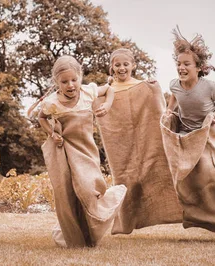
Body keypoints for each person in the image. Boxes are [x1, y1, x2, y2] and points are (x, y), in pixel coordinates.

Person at [160, 27, 215, 234]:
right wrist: (168, 110)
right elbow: (174, 98)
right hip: (185, 134)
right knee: (185, 175)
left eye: (186, 64)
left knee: (209, 172)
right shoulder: (175, 85)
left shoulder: (209, 87)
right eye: (179, 64)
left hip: (207, 133)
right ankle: (193, 213)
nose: (181, 68)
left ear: (198, 67)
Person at [38, 55, 126, 248]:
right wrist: (52, 133)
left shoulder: (88, 92)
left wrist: (107, 104)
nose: (70, 85)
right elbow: (41, 117)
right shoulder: (52, 103)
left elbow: (109, 89)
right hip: (65, 152)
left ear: (80, 76)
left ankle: (96, 223)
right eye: (64, 82)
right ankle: (76, 236)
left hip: (86, 151)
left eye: (74, 80)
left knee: (89, 189)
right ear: (57, 83)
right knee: (69, 193)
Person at [95, 48, 182, 235]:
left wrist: (153, 88)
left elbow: (158, 110)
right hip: (119, 143)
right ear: (112, 67)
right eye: (117, 65)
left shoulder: (144, 86)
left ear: (133, 66)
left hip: (145, 140)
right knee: (124, 177)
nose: (121, 68)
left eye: (125, 64)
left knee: (155, 170)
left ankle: (168, 212)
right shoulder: (107, 90)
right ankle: (126, 221)